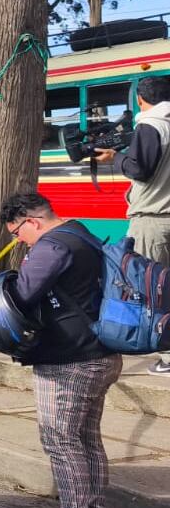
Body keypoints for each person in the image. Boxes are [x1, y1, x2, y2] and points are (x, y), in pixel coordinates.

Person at [0, 192, 122, 508]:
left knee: (60, 440)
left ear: (32, 221)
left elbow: (22, 295)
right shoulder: (81, 233)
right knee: (87, 439)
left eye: (17, 233)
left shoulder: (51, 246)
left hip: (69, 360)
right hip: (101, 352)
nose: (19, 241)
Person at [91, 75, 170, 376]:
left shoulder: (151, 124)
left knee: (151, 286)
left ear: (139, 99)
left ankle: (166, 353)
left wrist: (116, 158)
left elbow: (141, 170)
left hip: (153, 219)